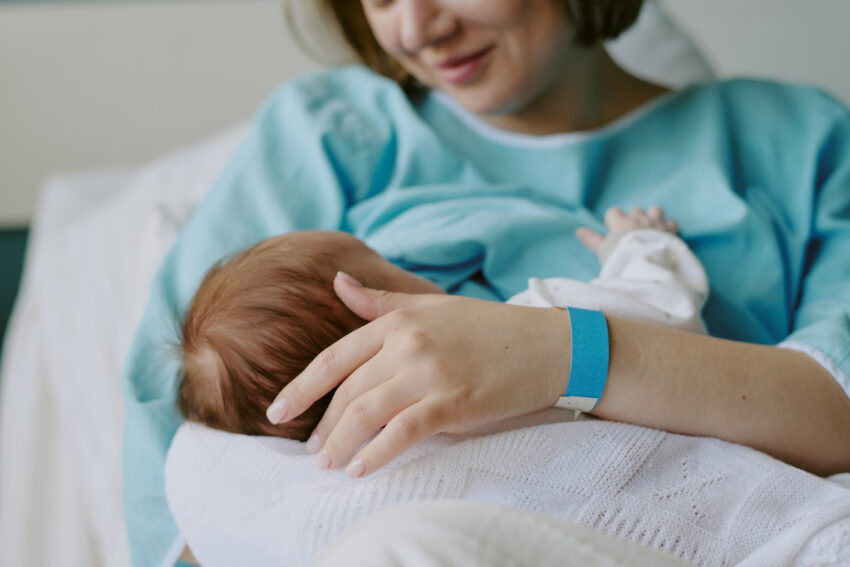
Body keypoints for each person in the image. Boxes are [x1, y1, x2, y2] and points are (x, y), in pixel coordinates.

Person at [122, 1, 850, 565]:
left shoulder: (801, 143)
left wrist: (560, 354)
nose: (415, 29)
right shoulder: (329, 136)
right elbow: (187, 419)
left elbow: (838, 407)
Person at [177, 208, 704, 441]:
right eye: (387, 264)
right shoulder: (531, 325)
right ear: (381, 309)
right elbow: (667, 317)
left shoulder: (382, 465)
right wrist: (639, 245)